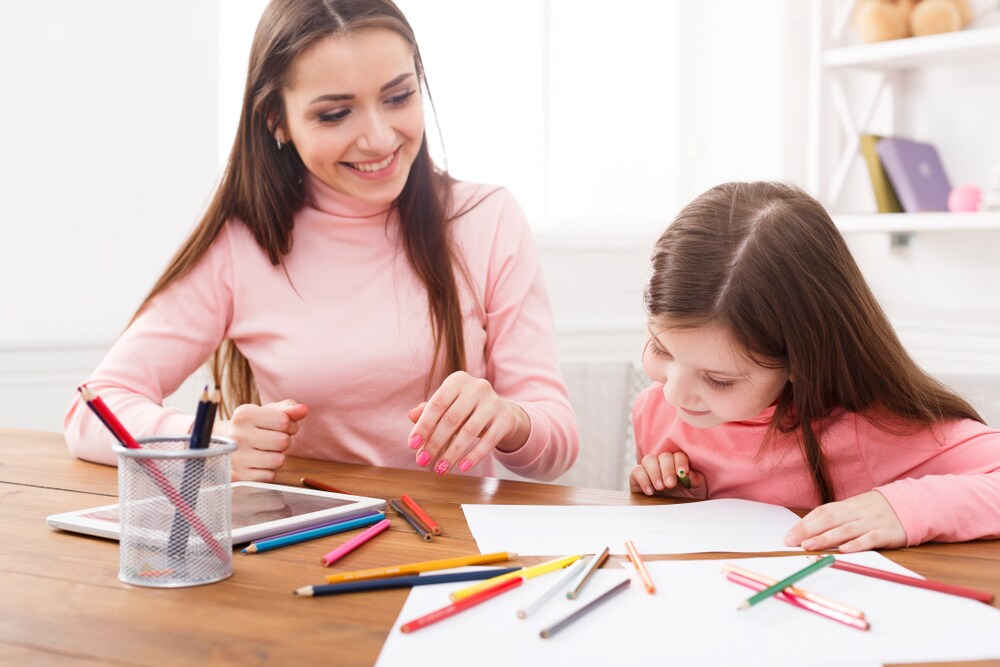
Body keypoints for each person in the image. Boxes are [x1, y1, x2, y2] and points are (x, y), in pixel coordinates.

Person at [64, 0, 578, 483]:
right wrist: (208, 445)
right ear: (277, 121)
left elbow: (556, 442)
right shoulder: (242, 244)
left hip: (451, 541)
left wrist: (510, 419)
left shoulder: (486, 219)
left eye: (399, 97)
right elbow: (94, 408)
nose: (379, 138)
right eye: (334, 114)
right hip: (306, 537)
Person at [630, 181, 1000, 552]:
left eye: (718, 380)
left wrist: (902, 508)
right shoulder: (656, 413)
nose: (673, 393)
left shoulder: (867, 430)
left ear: (800, 360)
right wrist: (677, 499)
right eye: (661, 349)